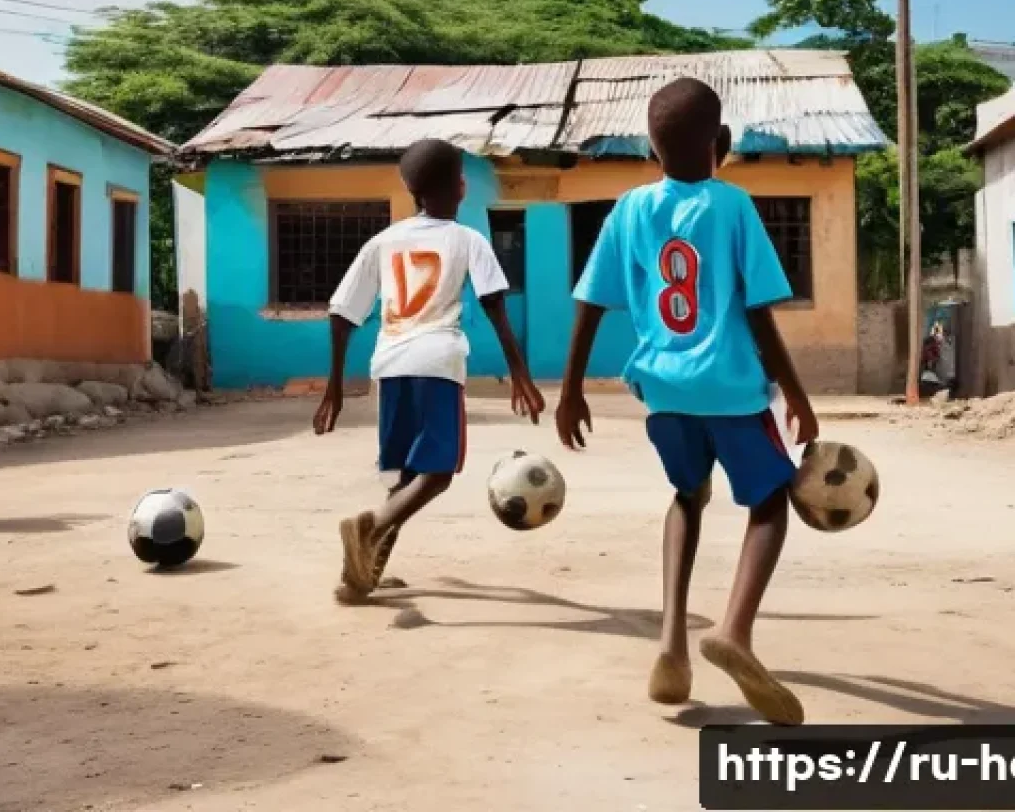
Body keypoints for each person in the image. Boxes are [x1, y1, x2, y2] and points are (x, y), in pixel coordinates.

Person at [554, 78, 818, 726]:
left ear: (651, 146)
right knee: (770, 502)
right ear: (720, 144)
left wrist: (570, 392)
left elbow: (590, 302)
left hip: (663, 391)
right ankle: (732, 631)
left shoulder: (630, 208)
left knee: (686, 496)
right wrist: (795, 393)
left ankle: (672, 640)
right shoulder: (732, 206)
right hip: (728, 388)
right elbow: (757, 313)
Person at [314, 139, 545, 604]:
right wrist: (519, 372)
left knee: (405, 477)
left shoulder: (384, 241)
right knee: (437, 474)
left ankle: (360, 576)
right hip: (437, 364)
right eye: (462, 174)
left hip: (391, 366)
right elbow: (495, 305)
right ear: (458, 187)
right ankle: (370, 529)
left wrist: (334, 387)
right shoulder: (467, 239)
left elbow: (342, 314)